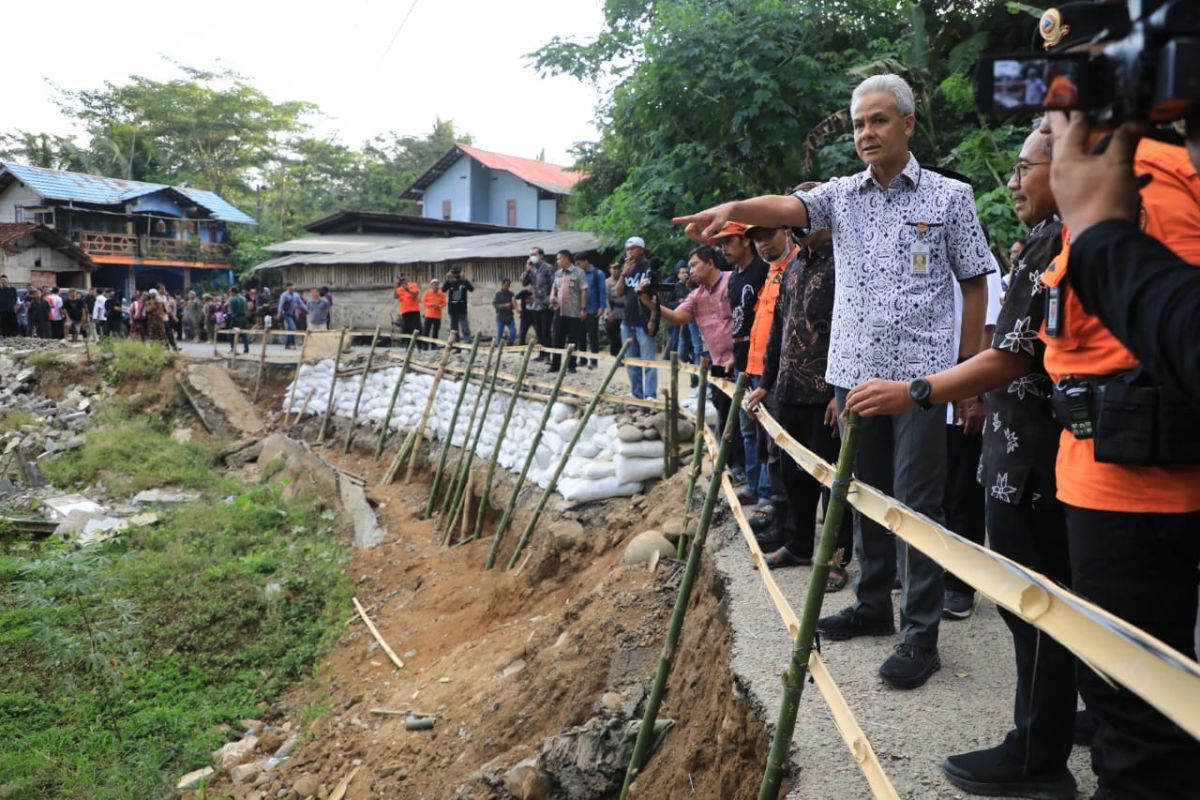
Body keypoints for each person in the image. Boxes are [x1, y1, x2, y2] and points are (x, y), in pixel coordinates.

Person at [676, 73, 994, 690]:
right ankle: (874, 606)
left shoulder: (950, 198)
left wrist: (963, 378)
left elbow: (976, 282)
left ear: (907, 123)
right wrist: (735, 211)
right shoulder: (842, 196)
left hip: (922, 381)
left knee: (917, 505)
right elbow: (789, 208)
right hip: (852, 378)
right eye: (857, 125)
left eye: (878, 120)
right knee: (863, 495)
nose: (866, 134)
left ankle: (920, 636)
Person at [847, 124, 1078, 798]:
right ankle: (1041, 735)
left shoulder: (1061, 240)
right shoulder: (1056, 238)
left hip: (1034, 465)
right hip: (1017, 456)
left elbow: (1009, 352)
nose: (1012, 182)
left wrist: (918, 390)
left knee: (1038, 610)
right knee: (1035, 612)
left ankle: (1038, 756)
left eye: (1024, 167)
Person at [1046, 108, 1200, 406]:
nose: (1044, 127)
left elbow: (1185, 333)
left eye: (1060, 107)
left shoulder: (1143, 167)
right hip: (1089, 440)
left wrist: (1102, 235)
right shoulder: (1094, 185)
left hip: (1135, 440)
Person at [743, 207, 854, 588]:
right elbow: (779, 328)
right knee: (794, 477)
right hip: (789, 391)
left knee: (832, 482)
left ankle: (837, 559)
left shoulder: (846, 264)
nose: (800, 226)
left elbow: (854, 332)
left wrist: (843, 392)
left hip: (827, 394)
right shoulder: (793, 267)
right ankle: (799, 544)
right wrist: (767, 382)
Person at [644, 244, 734, 438]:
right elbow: (677, 317)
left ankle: (746, 467)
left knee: (747, 424)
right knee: (724, 415)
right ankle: (730, 466)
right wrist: (648, 301)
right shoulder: (696, 295)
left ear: (710, 263)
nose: (690, 270)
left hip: (742, 361)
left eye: (694, 265)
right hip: (717, 362)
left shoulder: (733, 282)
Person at [736, 224, 794, 517]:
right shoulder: (771, 271)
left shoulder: (795, 266)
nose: (763, 245)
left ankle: (780, 512)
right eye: (757, 240)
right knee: (765, 444)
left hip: (781, 375)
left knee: (778, 448)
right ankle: (773, 505)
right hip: (759, 370)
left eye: (768, 236)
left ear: (786, 231)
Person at [713, 220, 769, 484]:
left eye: (729, 241)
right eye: (721, 243)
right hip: (741, 358)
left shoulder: (763, 269)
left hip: (761, 359)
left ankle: (769, 492)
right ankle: (753, 484)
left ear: (746, 241)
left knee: (765, 429)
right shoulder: (734, 277)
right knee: (746, 428)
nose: (724, 248)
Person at [613, 236, 659, 399]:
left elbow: (657, 297)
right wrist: (624, 273)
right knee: (631, 360)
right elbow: (618, 293)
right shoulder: (628, 269)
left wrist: (654, 319)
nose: (630, 252)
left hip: (645, 320)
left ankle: (651, 394)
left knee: (649, 360)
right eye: (628, 249)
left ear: (641, 249)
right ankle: (636, 392)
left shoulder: (650, 268)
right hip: (627, 321)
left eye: (633, 248)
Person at [549, 250, 587, 372]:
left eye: (559, 258)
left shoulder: (579, 272)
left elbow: (584, 291)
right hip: (559, 310)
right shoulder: (558, 273)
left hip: (573, 310)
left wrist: (583, 308)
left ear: (566, 259)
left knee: (572, 339)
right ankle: (555, 365)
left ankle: (571, 365)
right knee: (557, 338)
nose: (557, 261)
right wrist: (552, 296)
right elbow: (554, 287)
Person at [526, 248, 556, 359]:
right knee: (538, 331)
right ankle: (541, 354)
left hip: (546, 304)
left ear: (541, 255)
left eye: (534, 254)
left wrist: (551, 299)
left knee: (546, 330)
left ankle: (548, 354)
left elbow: (554, 285)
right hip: (535, 304)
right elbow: (524, 282)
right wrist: (527, 270)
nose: (532, 256)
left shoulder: (548, 268)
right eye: (530, 254)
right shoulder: (532, 269)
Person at [579, 253, 607, 368]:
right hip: (579, 310)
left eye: (579, 263)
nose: (578, 265)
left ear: (586, 261)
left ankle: (594, 361)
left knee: (593, 336)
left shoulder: (598, 274)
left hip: (593, 310)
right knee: (580, 336)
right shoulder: (578, 274)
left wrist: (602, 307)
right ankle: (582, 359)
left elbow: (602, 291)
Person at [443, 266, 474, 343]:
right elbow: (443, 289)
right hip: (452, 310)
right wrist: (447, 279)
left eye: (457, 272)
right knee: (454, 329)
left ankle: (468, 344)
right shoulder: (450, 282)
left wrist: (465, 279)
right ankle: (456, 346)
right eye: (454, 273)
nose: (456, 274)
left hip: (462, 309)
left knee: (465, 327)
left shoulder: (464, 282)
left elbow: (471, 289)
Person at [278, 282, 307, 350]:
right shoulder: (284, 295)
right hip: (287, 314)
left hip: (293, 313)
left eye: (292, 286)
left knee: (290, 329)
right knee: (293, 327)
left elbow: (300, 303)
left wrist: (306, 309)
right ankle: (292, 344)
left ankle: (287, 344)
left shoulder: (296, 295)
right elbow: (281, 304)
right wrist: (279, 312)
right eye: (290, 287)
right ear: (287, 288)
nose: (291, 288)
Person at [604, 263, 624, 356]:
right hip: (612, 311)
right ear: (610, 270)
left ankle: (622, 354)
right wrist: (609, 312)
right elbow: (605, 298)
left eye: (618, 268)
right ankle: (615, 354)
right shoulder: (607, 282)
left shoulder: (624, 280)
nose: (616, 270)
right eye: (614, 268)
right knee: (613, 335)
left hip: (623, 311)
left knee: (622, 335)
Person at [421, 279, 446, 347]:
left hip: (437, 316)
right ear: (431, 285)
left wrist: (439, 306)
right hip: (428, 315)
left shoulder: (441, 293)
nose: (435, 286)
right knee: (426, 331)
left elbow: (444, 303)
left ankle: (434, 345)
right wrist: (431, 304)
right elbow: (423, 301)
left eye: (437, 284)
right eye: (434, 284)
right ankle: (425, 345)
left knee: (436, 331)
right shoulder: (427, 292)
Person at [226, 286, 250, 354]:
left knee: (231, 333)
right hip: (244, 318)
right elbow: (246, 308)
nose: (229, 293)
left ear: (233, 292)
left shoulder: (232, 299)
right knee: (244, 334)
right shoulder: (244, 298)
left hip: (236, 318)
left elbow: (231, 311)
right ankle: (246, 349)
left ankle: (233, 349)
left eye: (230, 292)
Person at [493, 277, 517, 345]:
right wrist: (504, 305)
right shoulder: (498, 294)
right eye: (506, 285)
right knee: (499, 335)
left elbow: (514, 305)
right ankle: (498, 348)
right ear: (502, 285)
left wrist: (513, 306)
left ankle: (509, 343)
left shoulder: (511, 294)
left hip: (509, 317)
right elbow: (495, 305)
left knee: (513, 332)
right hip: (500, 317)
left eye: (509, 285)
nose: (507, 287)